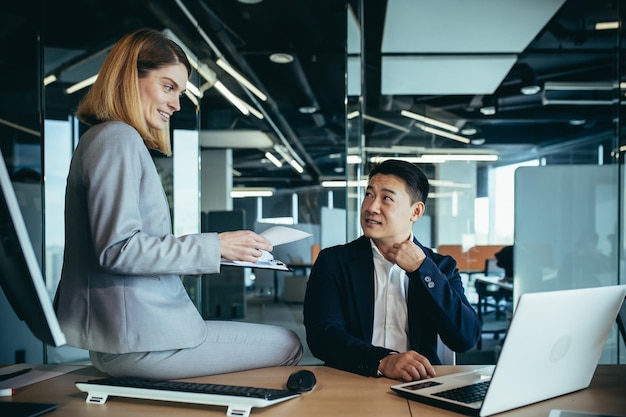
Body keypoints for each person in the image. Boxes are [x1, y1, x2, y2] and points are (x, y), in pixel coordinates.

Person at [53, 28, 302, 379]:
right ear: (128, 79)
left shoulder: (103, 138)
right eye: (168, 87)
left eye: (180, 92)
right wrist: (215, 245)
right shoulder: (117, 139)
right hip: (140, 342)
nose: (176, 103)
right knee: (289, 344)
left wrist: (222, 252)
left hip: (130, 336)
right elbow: (119, 250)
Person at [303, 159, 480, 382]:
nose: (371, 207)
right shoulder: (333, 261)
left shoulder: (440, 267)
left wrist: (421, 269)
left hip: (419, 383)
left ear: (415, 211)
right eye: (369, 195)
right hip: (352, 378)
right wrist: (382, 361)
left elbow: (465, 338)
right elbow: (322, 335)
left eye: (386, 198)